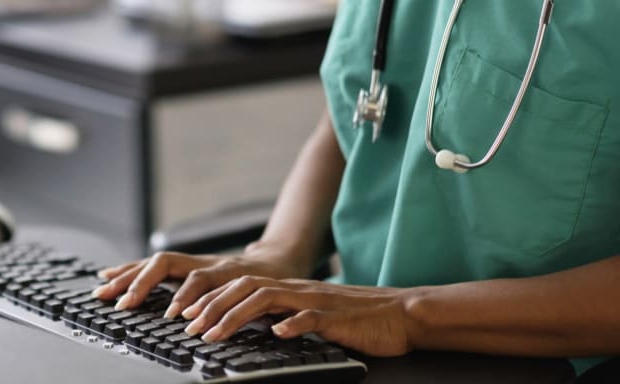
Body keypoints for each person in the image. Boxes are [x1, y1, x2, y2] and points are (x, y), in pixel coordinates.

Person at [92, 0, 620, 374]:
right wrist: (279, 252)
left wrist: (407, 313)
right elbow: (360, 111)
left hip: (535, 362)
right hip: (348, 338)